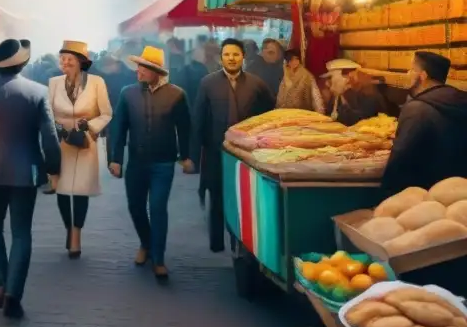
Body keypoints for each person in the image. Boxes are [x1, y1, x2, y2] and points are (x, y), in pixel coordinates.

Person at [0, 39, 60, 319]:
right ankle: (13, 294)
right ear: (22, 63)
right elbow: (50, 138)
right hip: (26, 172)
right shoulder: (38, 92)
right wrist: (54, 169)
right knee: (21, 233)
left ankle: (0, 284)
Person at [108, 46, 193, 280]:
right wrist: (115, 159)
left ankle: (158, 258)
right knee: (135, 207)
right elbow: (118, 129)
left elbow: (185, 129)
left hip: (163, 164)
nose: (138, 71)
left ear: (157, 71)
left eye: (144, 68)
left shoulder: (177, 95)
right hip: (136, 163)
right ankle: (146, 243)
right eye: (138, 67)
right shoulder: (128, 93)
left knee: (157, 209)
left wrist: (186, 156)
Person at [190, 38, 275, 252]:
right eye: (227, 54)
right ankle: (217, 243)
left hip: (246, 153)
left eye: (236, 54)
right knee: (217, 196)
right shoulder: (208, 83)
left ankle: (242, 242)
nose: (232, 58)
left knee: (243, 197)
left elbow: (270, 116)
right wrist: (192, 156)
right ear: (221, 58)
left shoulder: (257, 84)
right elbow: (198, 120)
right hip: (215, 151)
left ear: (243, 57)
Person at [48, 40, 114, 258]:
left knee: (81, 191)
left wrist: (90, 127)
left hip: (85, 142)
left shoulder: (97, 83)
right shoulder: (54, 83)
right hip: (62, 143)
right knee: (62, 189)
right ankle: (68, 227)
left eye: (69, 60)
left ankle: (76, 233)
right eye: (62, 59)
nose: (64, 63)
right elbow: (48, 112)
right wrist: (57, 128)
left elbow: (106, 113)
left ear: (81, 63)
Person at [382, 51, 467, 196]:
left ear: (423, 76)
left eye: (411, 69)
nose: (407, 74)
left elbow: (400, 161)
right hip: (459, 193)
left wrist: (385, 194)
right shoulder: (461, 101)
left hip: (425, 195)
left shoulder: (417, 109)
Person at [324, 59, 386, 126]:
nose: (327, 83)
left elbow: (358, 121)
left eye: (330, 77)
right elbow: (331, 116)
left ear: (348, 77)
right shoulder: (340, 96)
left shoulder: (369, 96)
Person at [276, 48, 325, 113]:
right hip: (286, 112)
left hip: (302, 111)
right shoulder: (285, 74)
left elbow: (315, 95)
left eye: (296, 59)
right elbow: (281, 96)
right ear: (287, 62)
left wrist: (320, 112)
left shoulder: (306, 75)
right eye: (292, 60)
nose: (295, 62)